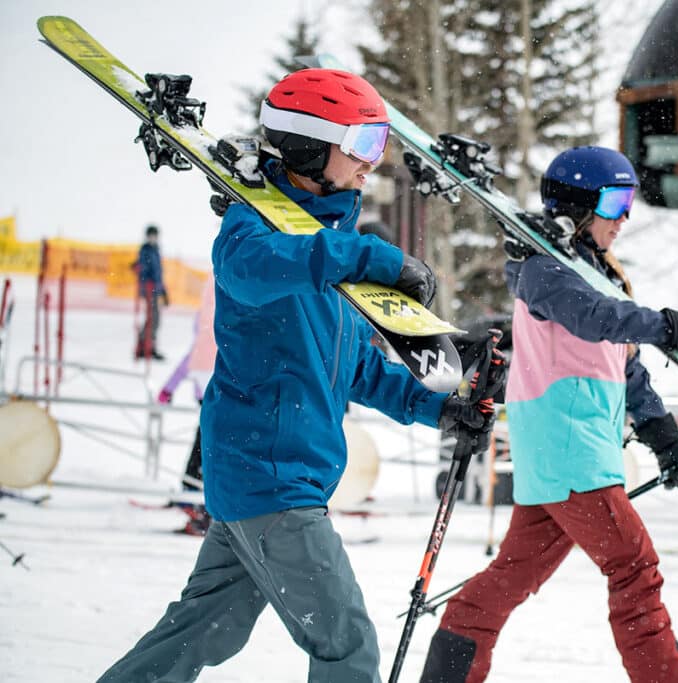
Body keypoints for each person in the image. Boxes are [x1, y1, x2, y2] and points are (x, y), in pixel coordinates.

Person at [97, 68, 501, 683]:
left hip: (270, 481)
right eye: (363, 145)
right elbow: (247, 270)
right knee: (348, 646)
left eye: (381, 145)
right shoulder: (257, 232)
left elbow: (356, 366)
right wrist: (370, 256)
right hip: (271, 481)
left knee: (197, 634)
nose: (375, 162)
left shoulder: (328, 247)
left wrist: (437, 410)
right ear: (311, 148)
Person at [418, 146, 678, 683]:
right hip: (571, 454)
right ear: (581, 206)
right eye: (614, 201)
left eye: (630, 199)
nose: (625, 216)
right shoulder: (541, 270)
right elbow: (594, 319)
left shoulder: (599, 275)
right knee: (635, 571)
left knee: (509, 577)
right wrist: (670, 326)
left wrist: (665, 438)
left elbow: (626, 367)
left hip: (566, 458)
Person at [156, 274, 217, 535]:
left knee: (205, 441)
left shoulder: (206, 313)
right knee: (209, 443)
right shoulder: (222, 308)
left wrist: (170, 386)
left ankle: (191, 493)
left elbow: (195, 351)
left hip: (209, 380)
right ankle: (196, 500)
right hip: (217, 379)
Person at [134, 224, 167, 360]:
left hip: (155, 290)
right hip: (149, 289)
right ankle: (145, 346)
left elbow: (159, 273)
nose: (153, 238)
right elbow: (143, 270)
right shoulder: (145, 250)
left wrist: (163, 292)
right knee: (153, 318)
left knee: (154, 319)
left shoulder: (156, 250)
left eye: (155, 235)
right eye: (151, 235)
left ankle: (148, 345)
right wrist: (145, 285)